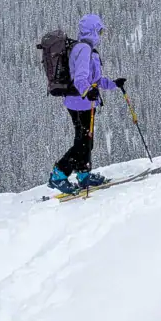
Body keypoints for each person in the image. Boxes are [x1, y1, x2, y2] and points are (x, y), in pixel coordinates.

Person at [48, 13, 126, 194]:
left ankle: (84, 175)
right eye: (100, 31)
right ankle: (58, 175)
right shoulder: (83, 49)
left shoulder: (87, 49)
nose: (101, 35)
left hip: (82, 102)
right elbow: (80, 79)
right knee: (82, 143)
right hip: (80, 103)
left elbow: (95, 81)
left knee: (86, 141)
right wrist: (87, 91)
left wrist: (114, 84)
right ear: (93, 30)